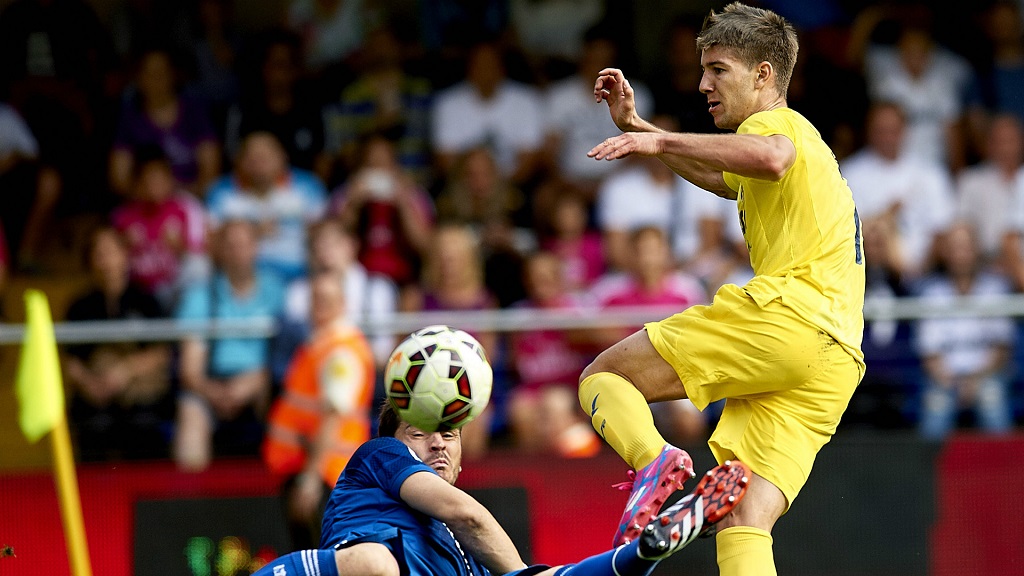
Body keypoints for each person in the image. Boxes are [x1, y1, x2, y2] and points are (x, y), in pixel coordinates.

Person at [581, 4, 865, 574]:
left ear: (764, 75)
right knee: (745, 516)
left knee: (604, 377)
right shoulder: (803, 149)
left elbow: (769, 156)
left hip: (790, 319)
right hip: (836, 358)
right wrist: (643, 129)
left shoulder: (775, 126)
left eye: (718, 69)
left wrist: (658, 146)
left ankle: (654, 462)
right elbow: (726, 176)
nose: (704, 83)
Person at [250, 402, 750, 576]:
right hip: (343, 568)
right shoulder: (379, 455)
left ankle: (645, 552)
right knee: (376, 565)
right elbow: (469, 516)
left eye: (448, 434)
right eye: (419, 432)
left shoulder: (463, 562)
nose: (436, 444)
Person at [263, 271, 377, 548]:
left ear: (343, 303)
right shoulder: (321, 343)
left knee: (322, 557)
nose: (319, 305)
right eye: (315, 298)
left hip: (326, 474)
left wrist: (311, 478)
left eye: (327, 299)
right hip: (309, 465)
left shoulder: (341, 353)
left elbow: (333, 417)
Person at [173, 219, 286, 472]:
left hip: (262, 382)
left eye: (245, 244)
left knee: (287, 404)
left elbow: (288, 353)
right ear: (220, 251)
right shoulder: (199, 296)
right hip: (209, 383)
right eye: (231, 245)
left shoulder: (276, 291)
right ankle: (191, 501)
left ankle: (279, 496)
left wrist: (256, 380)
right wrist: (214, 392)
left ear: (256, 248)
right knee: (190, 417)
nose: (238, 252)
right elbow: (190, 370)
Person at [63, 226, 173, 461]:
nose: (106, 262)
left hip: (139, 389)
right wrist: (89, 384)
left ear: (125, 255)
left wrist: (125, 372)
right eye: (99, 254)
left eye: (111, 252)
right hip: (94, 390)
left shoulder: (146, 300)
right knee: (94, 423)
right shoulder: (79, 306)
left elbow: (161, 352)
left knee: (144, 423)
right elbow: (70, 360)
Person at [915, 222, 1015, 439]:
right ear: (946, 253)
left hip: (987, 376)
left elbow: (1001, 349)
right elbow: (930, 354)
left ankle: (1005, 470)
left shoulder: (995, 289)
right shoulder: (932, 293)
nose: (961, 254)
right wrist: (950, 381)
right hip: (944, 379)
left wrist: (975, 381)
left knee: (992, 399)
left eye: (966, 247)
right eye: (955, 247)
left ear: (976, 250)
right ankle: (926, 471)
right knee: (936, 405)